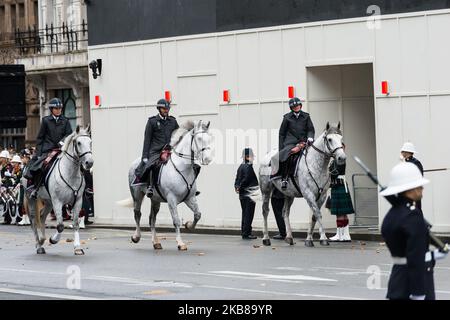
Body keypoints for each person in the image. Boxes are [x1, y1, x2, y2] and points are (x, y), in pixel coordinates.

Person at [381, 162, 448, 300]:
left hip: (397, 281)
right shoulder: (413, 216)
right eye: (419, 185)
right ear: (411, 189)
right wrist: (418, 292)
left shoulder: (391, 215)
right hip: (413, 285)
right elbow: (414, 258)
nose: (422, 188)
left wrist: (433, 255)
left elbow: (405, 250)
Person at [25, 98, 73, 198]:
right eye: (56, 108)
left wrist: (61, 143)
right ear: (51, 109)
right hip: (48, 150)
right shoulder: (46, 120)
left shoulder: (66, 121)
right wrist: (38, 154)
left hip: (62, 149)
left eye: (60, 108)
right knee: (42, 166)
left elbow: (69, 135)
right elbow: (40, 138)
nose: (59, 110)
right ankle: (35, 188)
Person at [135, 98, 179, 198]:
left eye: (167, 109)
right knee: (151, 165)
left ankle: (188, 187)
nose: (166, 111)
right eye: (164, 109)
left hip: (170, 150)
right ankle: (150, 186)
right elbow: (147, 140)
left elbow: (178, 135)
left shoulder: (172, 121)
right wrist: (145, 156)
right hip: (156, 151)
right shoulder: (152, 122)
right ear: (159, 109)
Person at [277, 97, 315, 189]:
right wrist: (281, 148)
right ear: (291, 108)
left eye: (298, 105)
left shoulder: (306, 116)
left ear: (300, 105)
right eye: (294, 106)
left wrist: (310, 137)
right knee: (288, 154)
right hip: (290, 142)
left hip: (304, 141)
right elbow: (282, 134)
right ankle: (284, 178)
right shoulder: (287, 118)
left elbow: (310, 129)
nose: (297, 107)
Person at [326, 146, 354, 242]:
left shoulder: (340, 159)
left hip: (338, 185)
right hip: (338, 185)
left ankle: (340, 235)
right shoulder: (337, 159)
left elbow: (334, 173)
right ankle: (345, 235)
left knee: (339, 213)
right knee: (343, 213)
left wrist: (327, 171)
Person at [234, 148, 259, 240]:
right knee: (249, 214)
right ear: (246, 157)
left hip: (242, 195)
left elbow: (237, 179)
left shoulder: (240, 166)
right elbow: (246, 178)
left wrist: (237, 187)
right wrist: (240, 186)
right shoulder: (248, 166)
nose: (253, 158)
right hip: (249, 194)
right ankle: (247, 233)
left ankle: (244, 232)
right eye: (251, 156)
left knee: (245, 213)